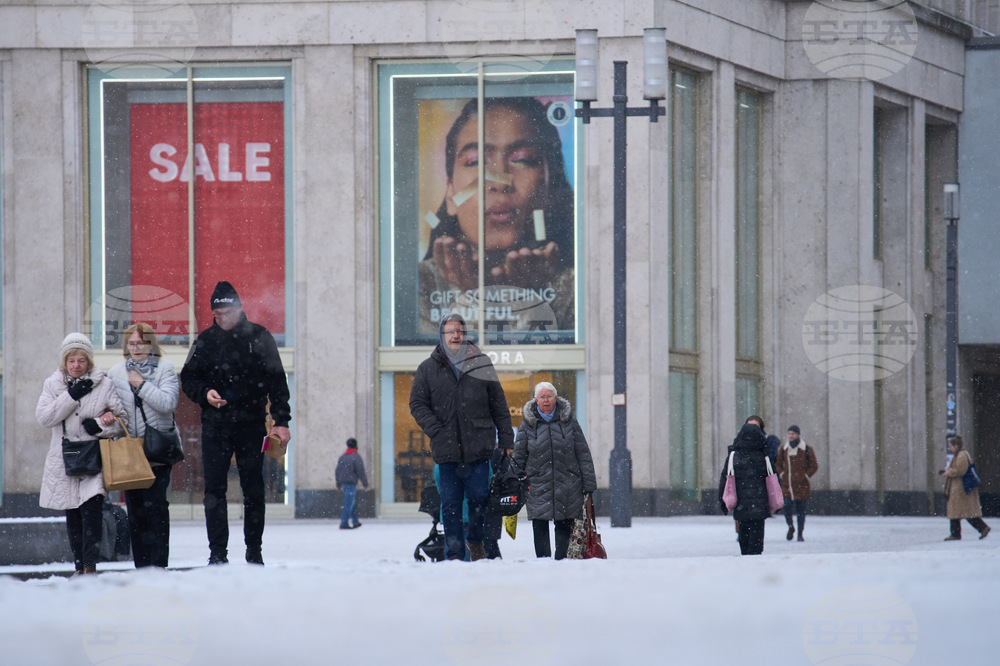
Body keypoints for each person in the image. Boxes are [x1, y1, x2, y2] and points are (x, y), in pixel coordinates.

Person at [418, 96, 576, 335]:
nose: (500, 181)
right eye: (475, 162)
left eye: (523, 159)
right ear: (450, 194)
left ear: (548, 188)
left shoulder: (580, 286)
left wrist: (524, 301)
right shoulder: (418, 285)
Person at [180, 281, 291, 566]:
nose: (222, 319)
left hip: (251, 423)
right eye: (217, 314)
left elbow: (278, 382)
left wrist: (281, 421)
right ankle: (218, 553)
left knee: (253, 488)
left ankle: (254, 550)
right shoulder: (204, 340)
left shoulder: (260, 336)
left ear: (239, 308)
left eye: (227, 313)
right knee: (214, 490)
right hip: (215, 425)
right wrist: (205, 393)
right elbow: (188, 378)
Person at [409, 313, 514, 561]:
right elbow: (417, 403)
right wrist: (436, 429)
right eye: (450, 331)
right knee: (451, 506)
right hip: (446, 451)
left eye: (460, 331)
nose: (455, 335)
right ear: (442, 336)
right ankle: (454, 555)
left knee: (479, 500)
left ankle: (475, 541)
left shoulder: (482, 363)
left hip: (478, 448)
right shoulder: (427, 368)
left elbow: (498, 404)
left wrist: (506, 439)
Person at [36, 332, 127, 575]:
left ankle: (90, 568)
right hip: (64, 459)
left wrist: (100, 425)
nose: (76, 365)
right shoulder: (52, 384)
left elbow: (122, 422)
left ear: (89, 361)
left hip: (93, 459)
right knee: (74, 516)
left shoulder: (104, 384)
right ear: (64, 362)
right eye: (71, 360)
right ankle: (79, 567)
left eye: (81, 360)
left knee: (92, 512)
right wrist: (71, 396)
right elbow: (44, 418)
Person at [108, 323, 180, 568]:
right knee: (136, 511)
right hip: (130, 452)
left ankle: (158, 565)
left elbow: (168, 403)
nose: (136, 348)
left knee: (156, 508)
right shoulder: (116, 373)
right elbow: (111, 406)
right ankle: (142, 566)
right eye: (131, 343)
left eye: (141, 343)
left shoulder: (165, 369)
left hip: (157, 450)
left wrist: (142, 385)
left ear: (151, 344)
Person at [512, 382, 597, 560]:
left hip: (567, 483)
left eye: (549, 396)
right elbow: (519, 456)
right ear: (536, 400)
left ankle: (561, 561)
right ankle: (543, 562)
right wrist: (513, 482)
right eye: (542, 397)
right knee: (539, 525)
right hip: (537, 484)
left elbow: (583, 453)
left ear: (556, 398)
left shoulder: (570, 421)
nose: (546, 400)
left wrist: (589, 484)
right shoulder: (527, 425)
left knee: (564, 525)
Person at [718, 416, 771, 555]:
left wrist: (722, 501)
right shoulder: (763, 455)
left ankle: (746, 556)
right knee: (757, 541)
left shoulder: (734, 455)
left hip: (741, 504)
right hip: (759, 505)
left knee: (744, 538)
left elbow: (725, 478)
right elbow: (772, 478)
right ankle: (755, 558)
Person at [939, 435, 991, 541]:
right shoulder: (961, 454)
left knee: (961, 512)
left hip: (960, 489)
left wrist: (948, 472)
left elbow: (960, 470)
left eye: (951, 446)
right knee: (961, 513)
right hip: (960, 489)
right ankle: (979, 528)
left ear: (956, 446)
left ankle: (961, 533)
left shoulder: (961, 455)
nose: (950, 449)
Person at [776, 424, 819, 542]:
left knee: (801, 511)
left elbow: (814, 465)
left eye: (793, 433)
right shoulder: (783, 449)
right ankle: (790, 526)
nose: (791, 436)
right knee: (787, 507)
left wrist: (805, 475)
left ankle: (800, 532)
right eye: (789, 433)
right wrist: (782, 474)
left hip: (802, 485)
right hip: (787, 485)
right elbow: (778, 464)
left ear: (798, 435)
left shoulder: (806, 449)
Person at [336, 438, 369, 530]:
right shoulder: (356, 457)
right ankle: (344, 523)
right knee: (349, 504)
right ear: (356, 446)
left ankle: (355, 522)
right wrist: (365, 484)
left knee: (351, 502)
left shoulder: (343, 457)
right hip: (351, 483)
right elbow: (360, 471)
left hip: (343, 483)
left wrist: (338, 484)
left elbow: (337, 471)